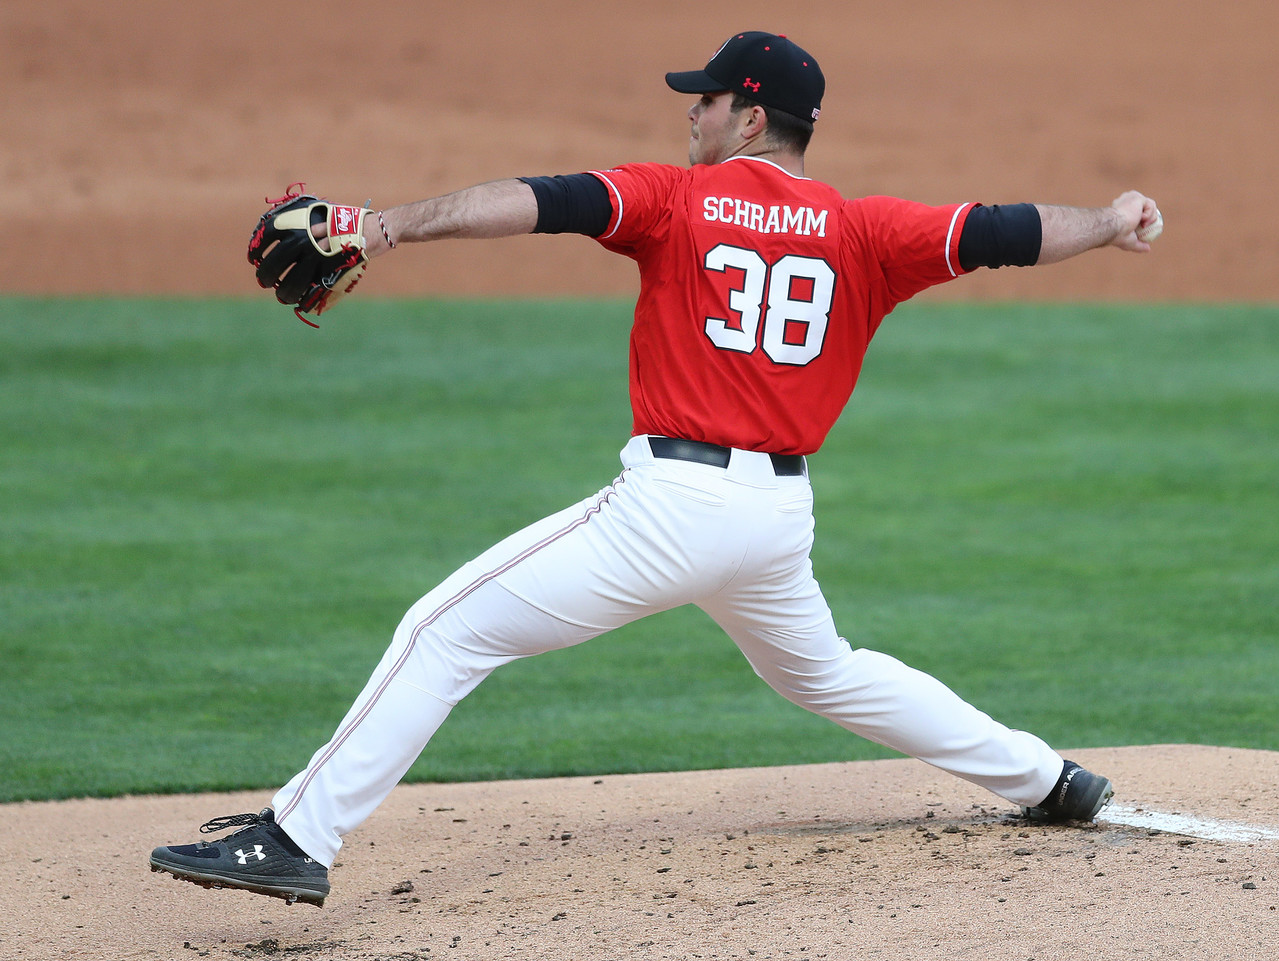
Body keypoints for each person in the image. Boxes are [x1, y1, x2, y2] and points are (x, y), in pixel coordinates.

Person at [150, 31, 1155, 907]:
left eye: (706, 100)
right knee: (824, 672)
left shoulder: (673, 199)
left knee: (444, 629)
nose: (692, 115)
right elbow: (1012, 230)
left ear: (749, 118)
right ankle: (1043, 780)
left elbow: (533, 201)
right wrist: (1109, 223)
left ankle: (295, 839)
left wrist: (378, 226)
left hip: (671, 511)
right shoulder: (865, 230)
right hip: (772, 523)